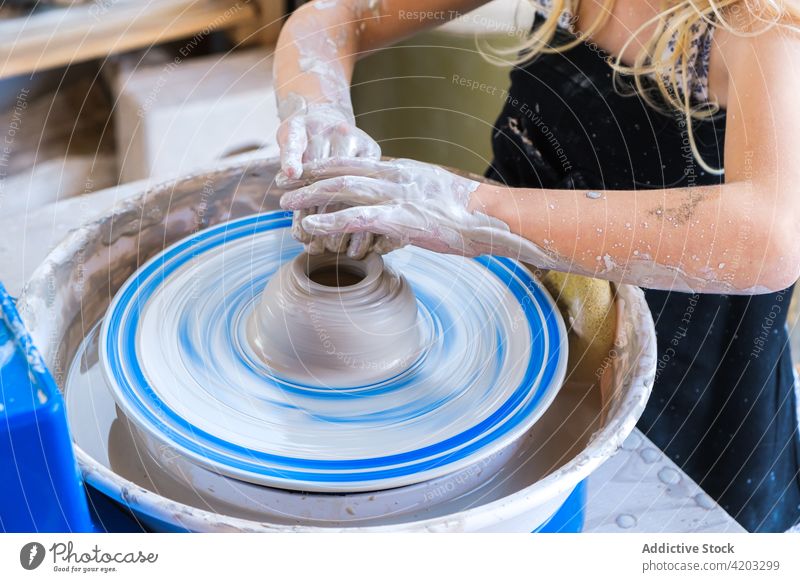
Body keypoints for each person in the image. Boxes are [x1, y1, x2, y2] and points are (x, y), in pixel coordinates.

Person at [272, 0, 800, 531]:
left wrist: (473, 211)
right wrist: (320, 115)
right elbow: (338, 14)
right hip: (512, 339)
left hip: (683, 383)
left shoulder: (759, 19)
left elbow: (772, 234)